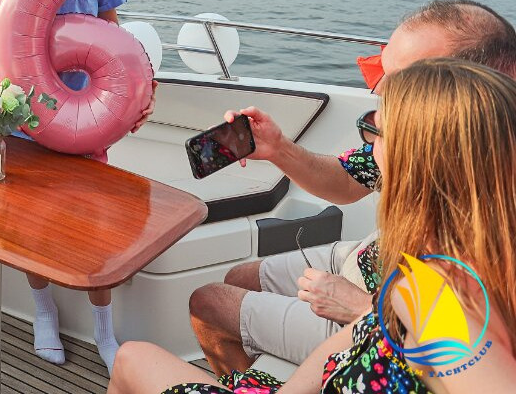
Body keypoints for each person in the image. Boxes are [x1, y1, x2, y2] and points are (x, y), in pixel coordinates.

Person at [108, 57, 516, 394]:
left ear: (417, 159)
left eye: (378, 130)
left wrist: (367, 306)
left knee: (132, 359)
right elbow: (356, 339)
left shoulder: (434, 295)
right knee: (232, 282)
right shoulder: (448, 265)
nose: (370, 146)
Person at [189, 0, 516, 374]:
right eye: (384, 79)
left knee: (208, 304)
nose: (382, 99)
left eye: (404, 84)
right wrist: (279, 149)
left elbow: (473, 343)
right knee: (238, 278)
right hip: (372, 260)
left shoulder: (493, 202)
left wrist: (362, 310)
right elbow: (347, 181)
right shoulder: (420, 135)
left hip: (385, 319)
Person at [0, 0, 153, 373]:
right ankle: (43, 311)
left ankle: (103, 327)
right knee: (33, 221)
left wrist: (134, 100)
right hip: (23, 116)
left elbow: (115, 34)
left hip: (88, 113)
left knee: (97, 223)